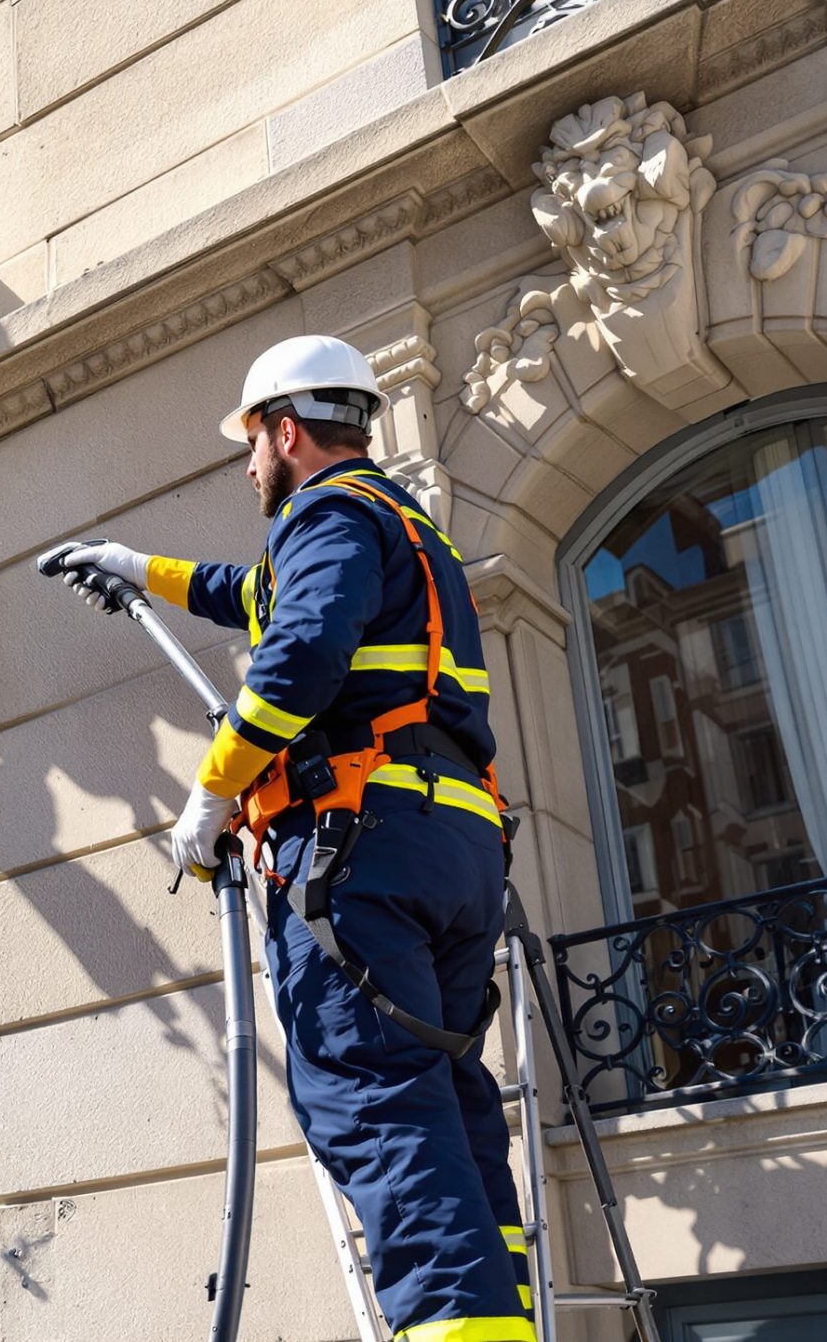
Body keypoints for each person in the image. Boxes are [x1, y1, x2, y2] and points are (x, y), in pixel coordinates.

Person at [40, 335, 532, 1342]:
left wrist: (210, 797)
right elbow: (258, 593)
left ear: (286, 429)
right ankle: (504, 1316)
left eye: (251, 442)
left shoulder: (328, 515)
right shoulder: (404, 530)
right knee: (442, 1093)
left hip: (362, 849)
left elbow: (300, 653)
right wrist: (140, 569)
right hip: (456, 848)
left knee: (372, 1098)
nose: (246, 464)